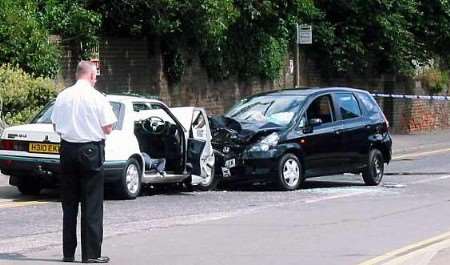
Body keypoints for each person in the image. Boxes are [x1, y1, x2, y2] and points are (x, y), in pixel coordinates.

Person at [51, 61, 117, 263]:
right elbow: (107, 128)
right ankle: (91, 255)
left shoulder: (63, 96)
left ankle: (68, 253)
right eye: (95, 76)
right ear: (90, 76)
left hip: (67, 150)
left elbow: (55, 125)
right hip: (90, 150)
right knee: (92, 203)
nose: (96, 79)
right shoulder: (97, 97)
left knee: (69, 204)